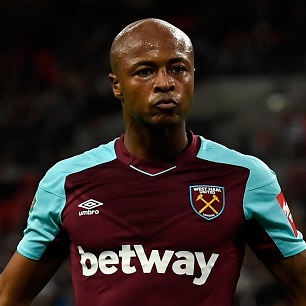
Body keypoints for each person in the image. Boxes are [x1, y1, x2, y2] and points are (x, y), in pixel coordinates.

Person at [0, 18, 306, 306]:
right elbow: (8, 296)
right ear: (116, 84)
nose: (165, 83)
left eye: (177, 69)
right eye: (145, 71)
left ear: (192, 78)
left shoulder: (246, 177)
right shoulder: (65, 182)